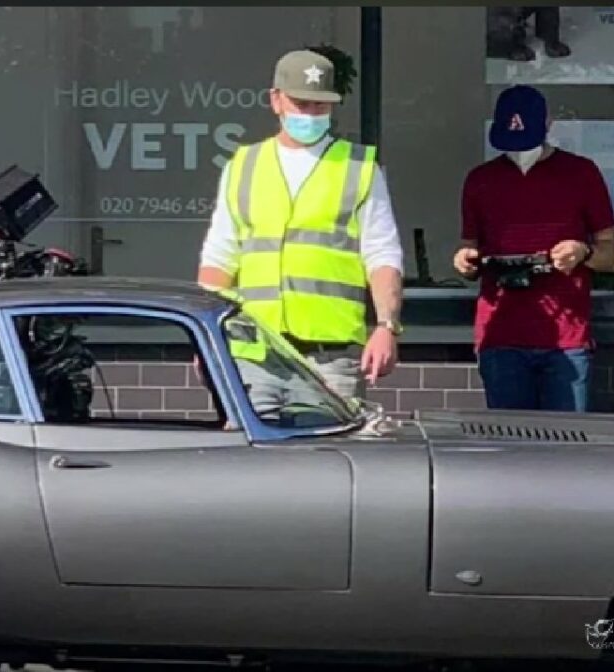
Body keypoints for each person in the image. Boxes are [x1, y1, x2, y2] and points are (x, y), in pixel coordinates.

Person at [197, 49, 405, 417]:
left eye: (320, 106)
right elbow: (219, 258)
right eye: (301, 103)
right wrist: (204, 336)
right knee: (253, 463)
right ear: (275, 100)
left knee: (328, 463)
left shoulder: (359, 168)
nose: (310, 114)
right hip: (253, 350)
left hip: (329, 356)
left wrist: (387, 325)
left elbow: (382, 255)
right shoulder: (243, 165)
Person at [453, 84, 614, 411]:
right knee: (508, 449)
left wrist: (582, 251)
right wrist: (466, 261)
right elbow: (469, 248)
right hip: (501, 334)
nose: (518, 150)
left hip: (565, 339)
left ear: (549, 125)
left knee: (566, 445)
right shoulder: (481, 180)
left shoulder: (580, 174)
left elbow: (611, 252)